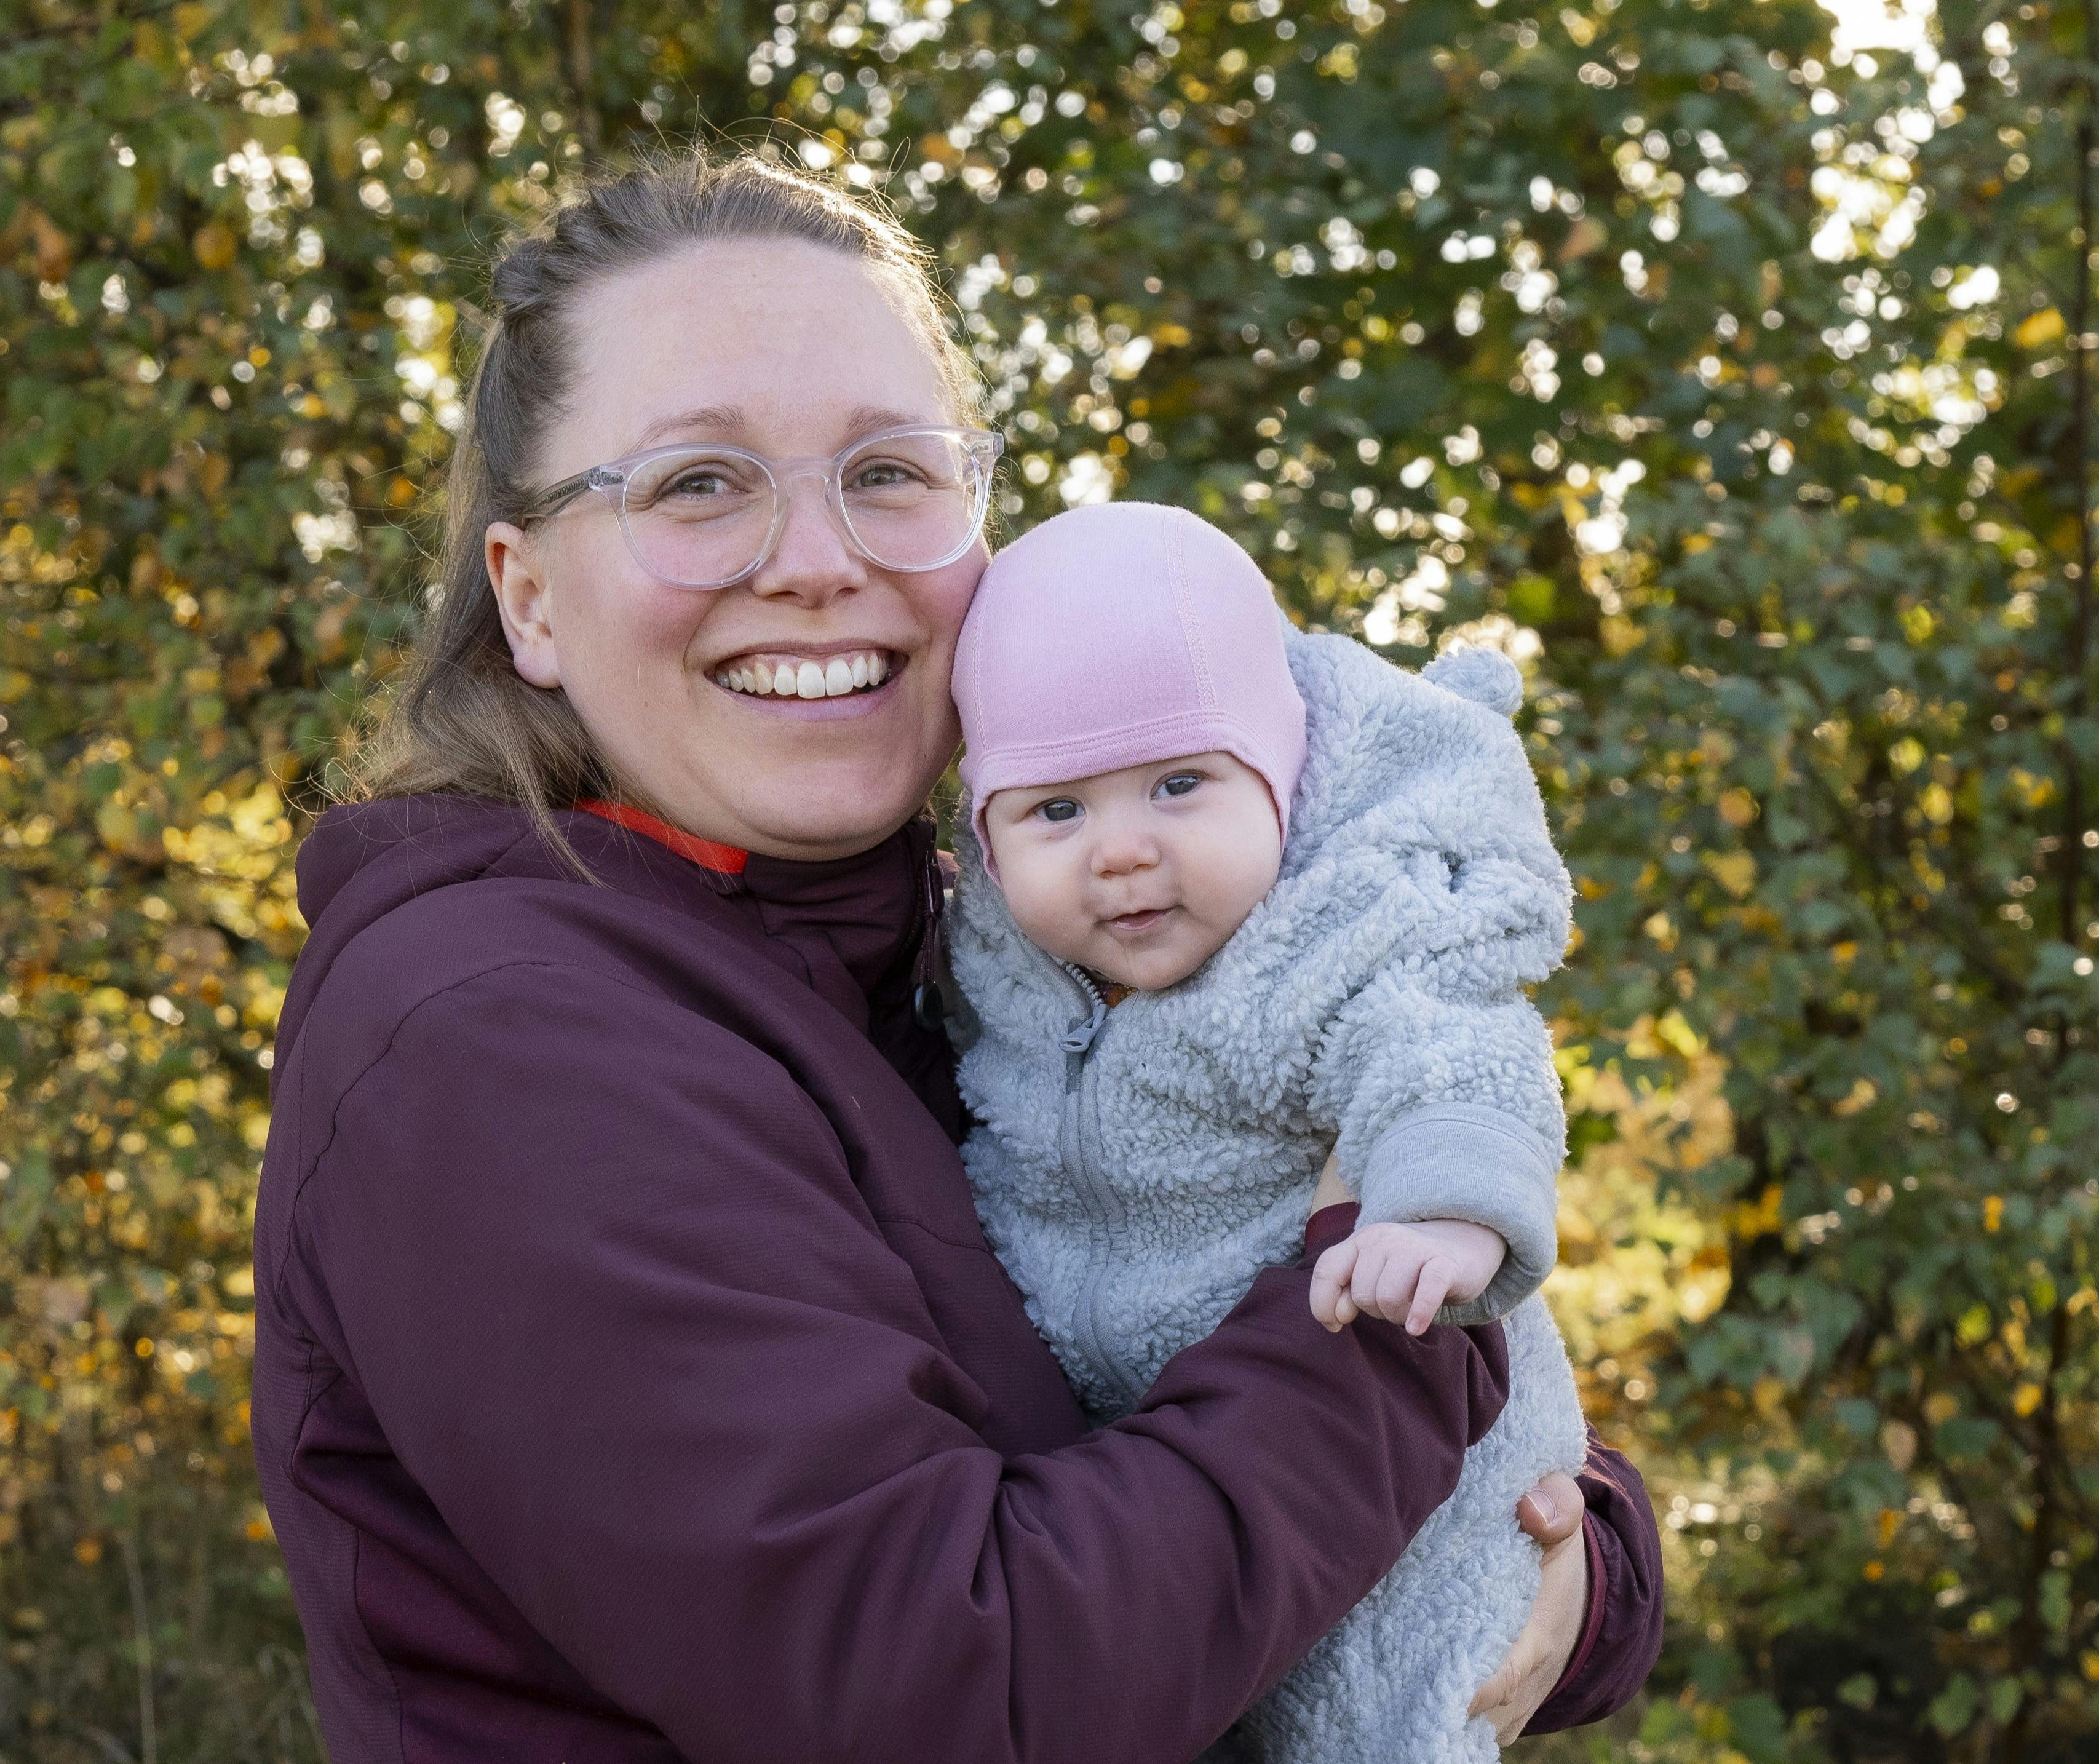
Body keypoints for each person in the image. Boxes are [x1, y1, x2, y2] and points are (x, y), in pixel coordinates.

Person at [249, 147, 1662, 1764]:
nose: (816, 558)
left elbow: (1198, 1328)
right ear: (531, 598)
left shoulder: (975, 953)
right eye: (697, 481)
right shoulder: (499, 1036)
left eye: (889, 471)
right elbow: (957, 1684)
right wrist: (1408, 1323)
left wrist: (1574, 1545)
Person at [946, 499, 1585, 1764]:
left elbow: (1452, 1047)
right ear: (980, 833)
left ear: (1279, 782)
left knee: (1397, 1716)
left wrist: (1440, 1217)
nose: (1121, 852)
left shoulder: (1332, 937)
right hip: (1171, 1504)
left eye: (1178, 785)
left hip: (1416, 1472)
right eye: (1054, 812)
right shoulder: (986, 978)